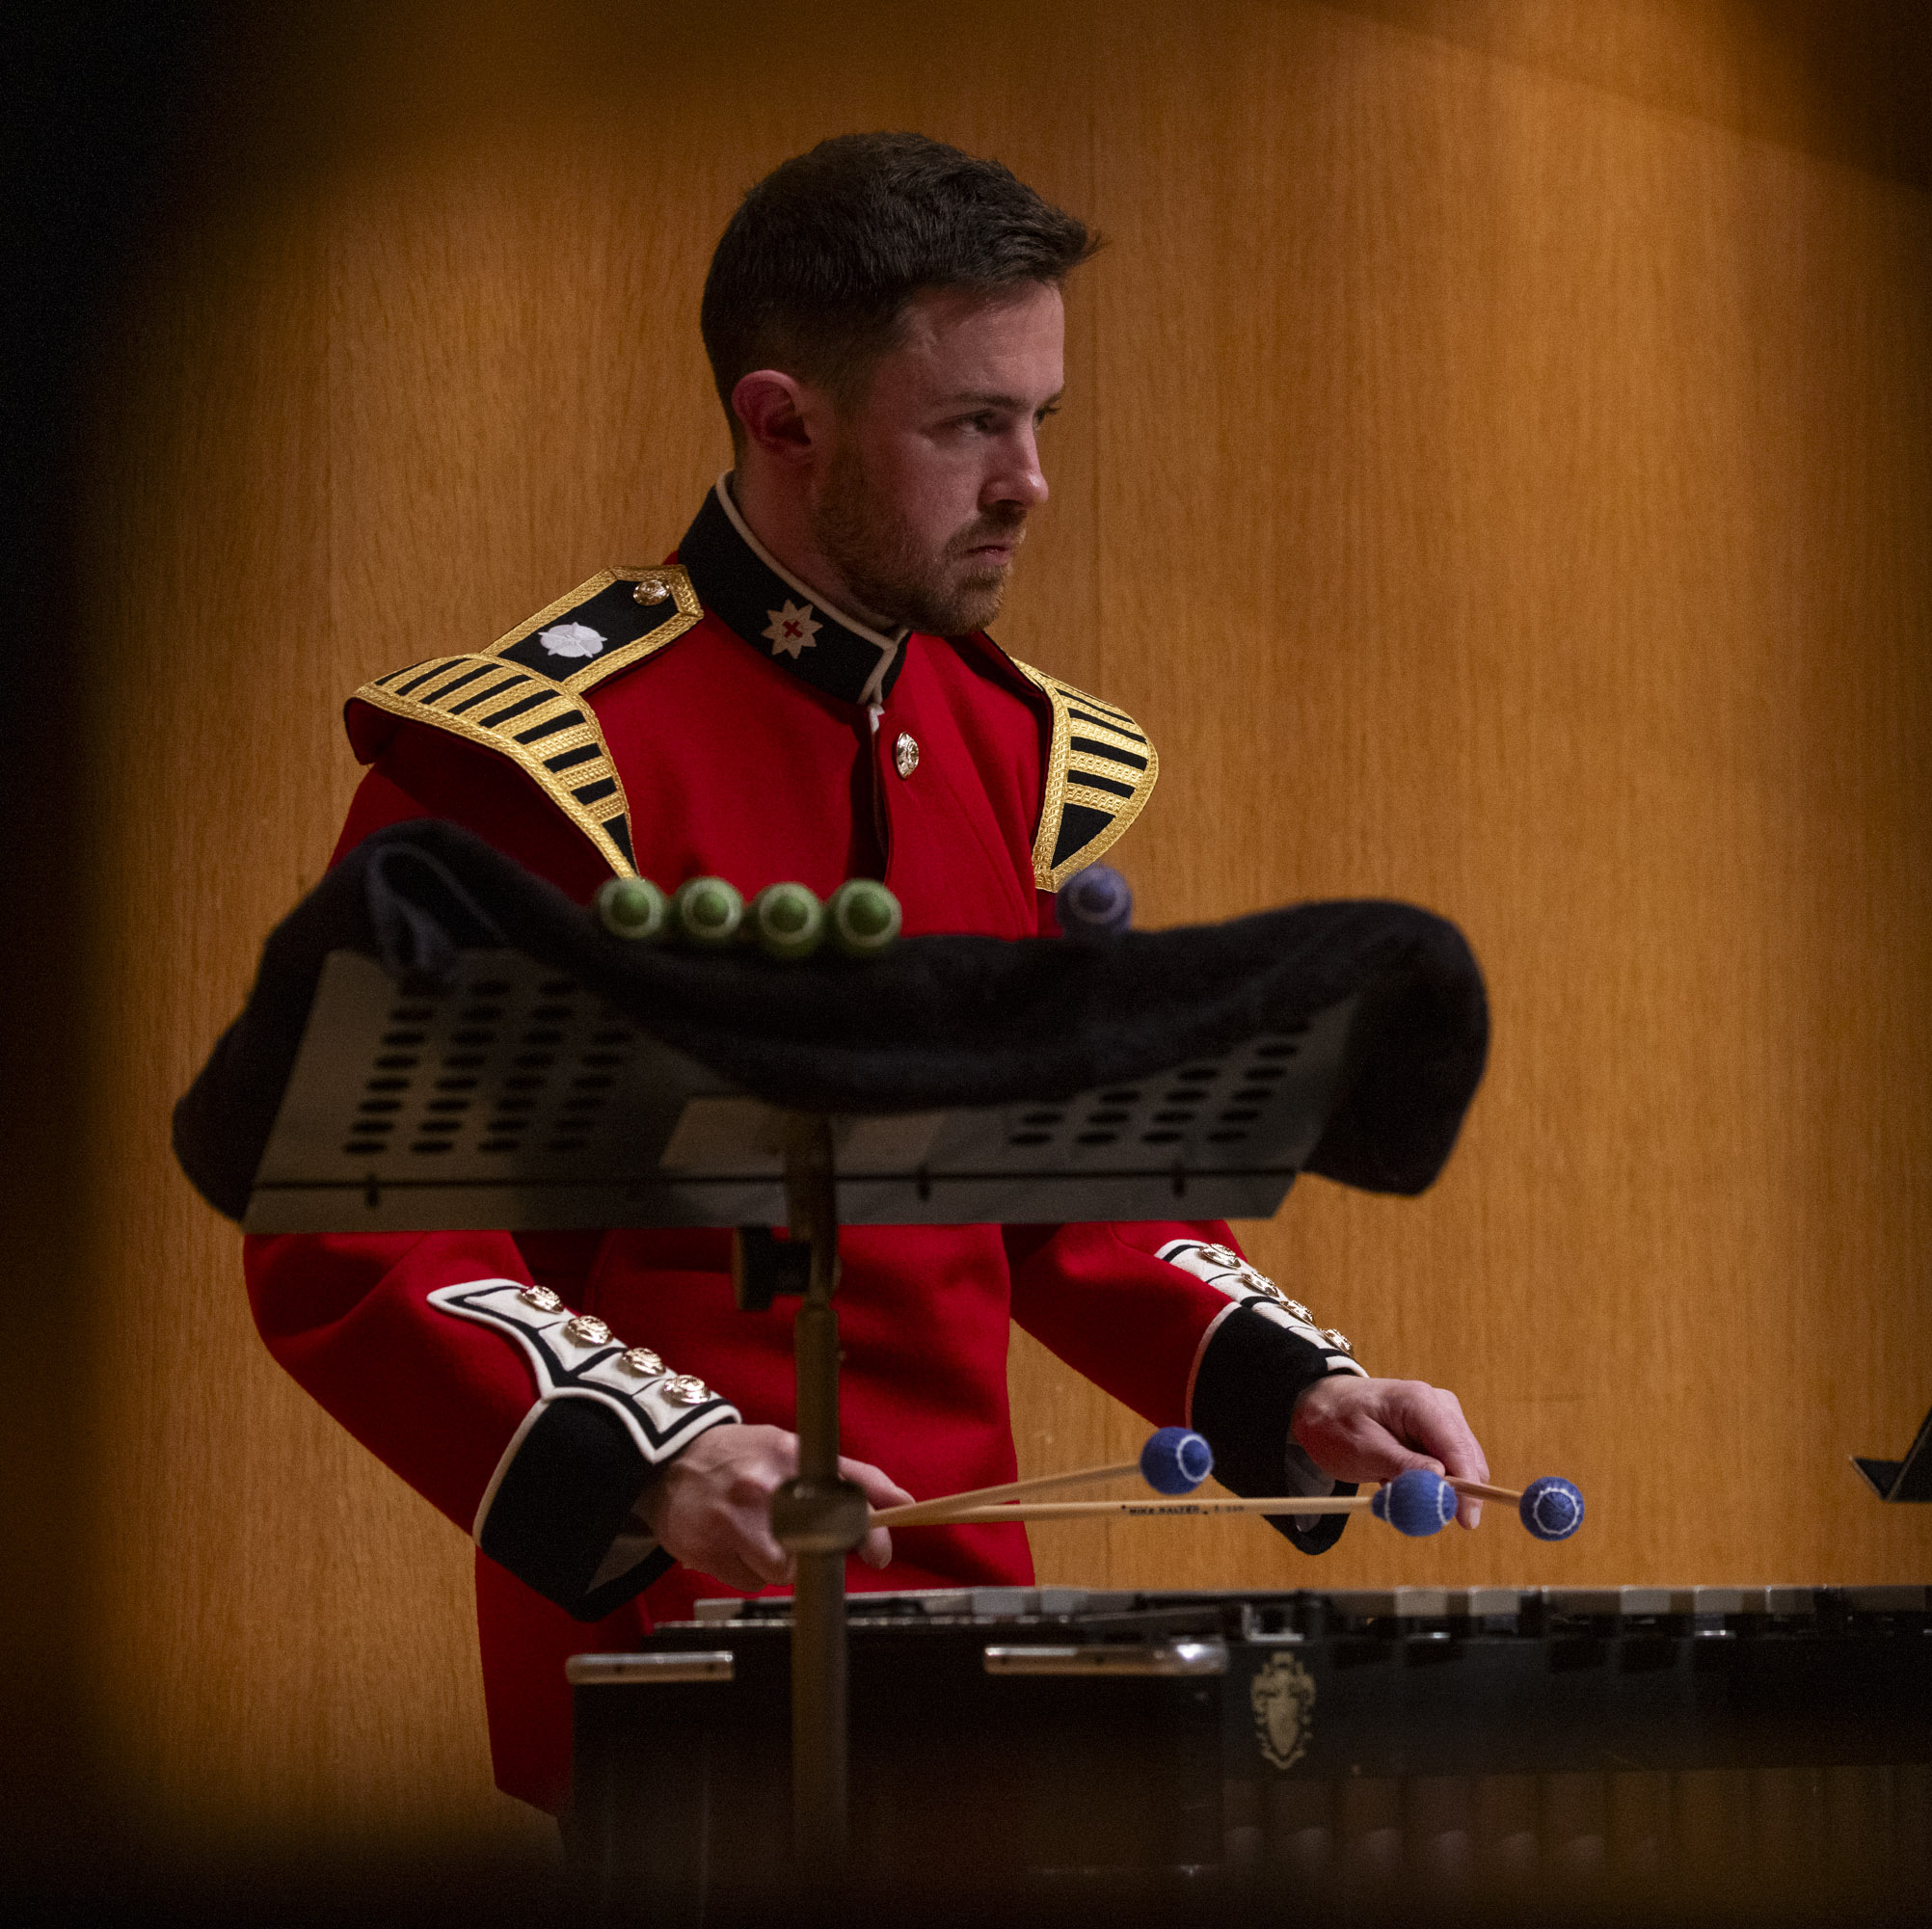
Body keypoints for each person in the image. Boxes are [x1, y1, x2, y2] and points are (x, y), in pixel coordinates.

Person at [242, 132, 1491, 1816]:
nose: (1030, 477)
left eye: (1042, 416)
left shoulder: (1001, 753)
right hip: (679, 1676)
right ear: (783, 421)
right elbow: (361, 1246)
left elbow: (1080, 1201)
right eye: (976, 422)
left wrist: (1301, 1384)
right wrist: (665, 1456)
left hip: (981, 1656)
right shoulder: (549, 765)